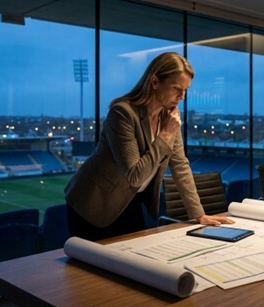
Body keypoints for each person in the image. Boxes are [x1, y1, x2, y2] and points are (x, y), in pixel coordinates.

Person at [64, 52, 233, 241]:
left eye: (185, 90)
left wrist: (199, 214)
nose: (182, 97)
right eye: (177, 88)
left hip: (130, 200)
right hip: (93, 204)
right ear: (154, 82)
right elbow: (134, 176)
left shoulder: (168, 117)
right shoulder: (122, 114)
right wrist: (165, 135)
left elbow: (180, 165)